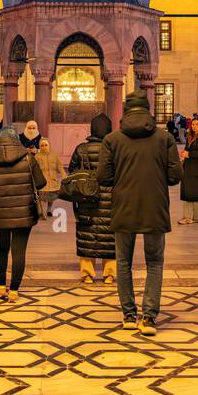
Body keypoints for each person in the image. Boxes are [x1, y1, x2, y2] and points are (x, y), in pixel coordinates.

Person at [97, 89, 182, 336]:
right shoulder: (164, 139)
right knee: (155, 262)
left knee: (123, 262)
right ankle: (149, 318)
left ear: (126, 110)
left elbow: (103, 177)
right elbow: (175, 176)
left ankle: (128, 314)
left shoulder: (112, 140)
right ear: (148, 110)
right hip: (155, 207)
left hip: (123, 206)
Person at [0, 126, 47, 300]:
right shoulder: (27, 158)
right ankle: (15, 291)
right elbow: (40, 183)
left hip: (0, 212)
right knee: (19, 251)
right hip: (24, 211)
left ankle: (1, 287)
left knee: (1, 249)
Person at [69, 113, 116, 284]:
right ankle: (109, 273)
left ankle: (87, 274)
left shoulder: (81, 149)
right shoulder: (113, 148)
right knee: (109, 236)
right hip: (110, 198)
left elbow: (72, 172)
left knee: (86, 234)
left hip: (86, 198)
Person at [178, 115, 198, 224]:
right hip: (188, 167)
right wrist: (184, 153)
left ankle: (197, 217)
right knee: (188, 192)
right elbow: (188, 149)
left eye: (197, 124)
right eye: (193, 124)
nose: (194, 126)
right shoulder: (190, 135)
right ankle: (187, 217)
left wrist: (189, 154)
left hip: (197, 168)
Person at [35, 137, 63, 217]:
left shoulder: (54, 155)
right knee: (43, 197)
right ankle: (43, 212)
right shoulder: (37, 156)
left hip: (52, 179)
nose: (44, 147)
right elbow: (34, 167)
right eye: (42, 145)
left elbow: (60, 166)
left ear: (49, 146)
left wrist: (64, 176)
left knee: (52, 197)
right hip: (42, 180)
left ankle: (49, 209)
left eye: (46, 145)